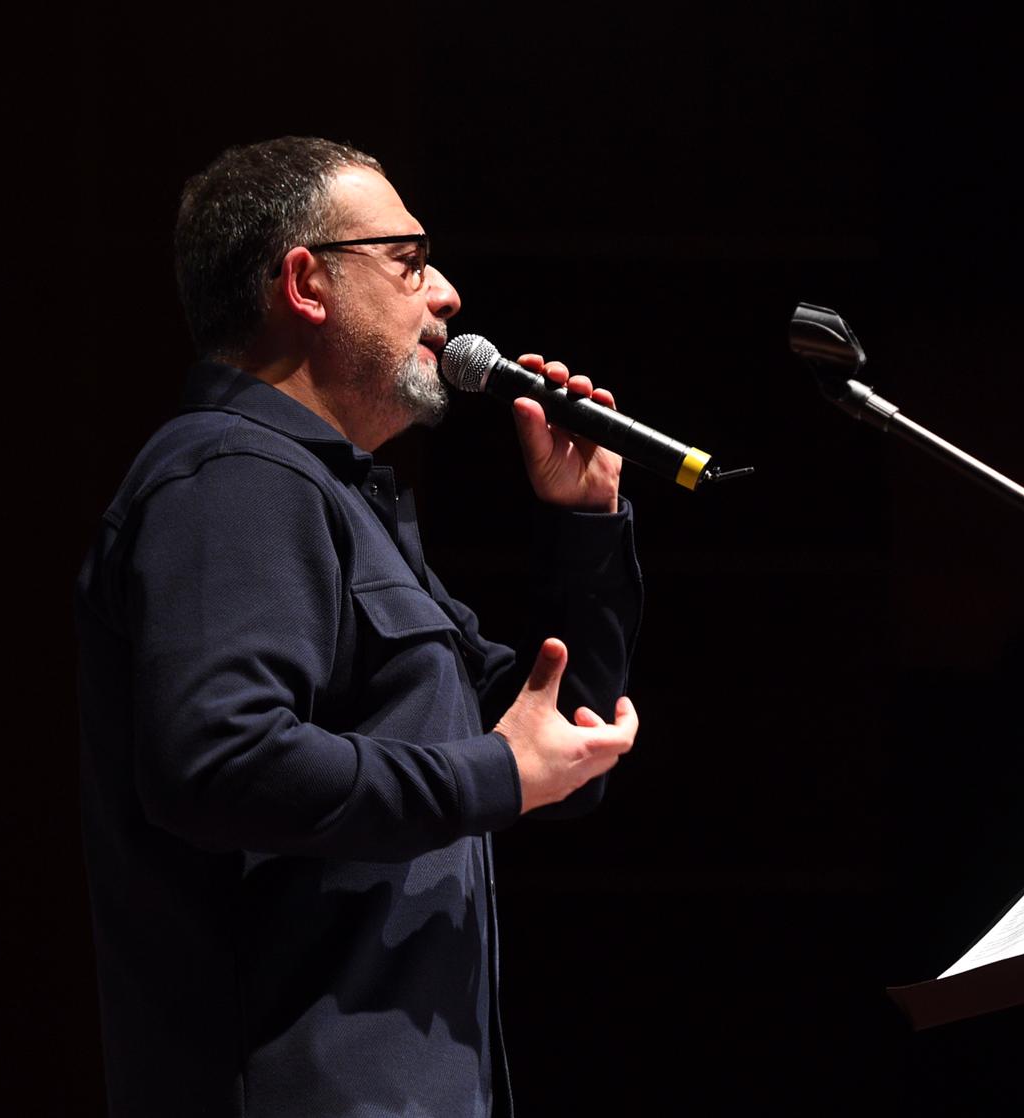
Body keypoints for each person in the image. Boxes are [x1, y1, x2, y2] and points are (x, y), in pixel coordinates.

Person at [74, 136, 643, 1117]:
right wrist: (490, 775)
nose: (447, 294)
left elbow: (561, 751)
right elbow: (218, 759)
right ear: (306, 283)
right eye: (408, 261)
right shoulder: (232, 477)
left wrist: (582, 523)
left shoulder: (337, 500)